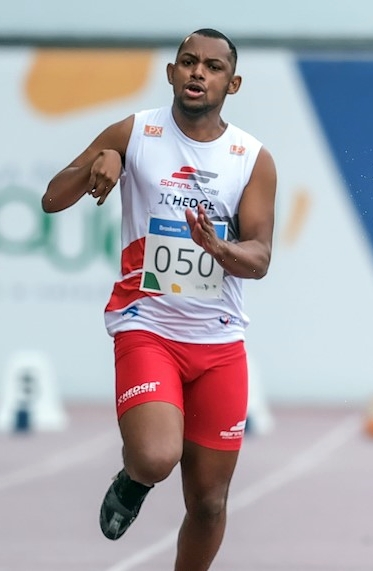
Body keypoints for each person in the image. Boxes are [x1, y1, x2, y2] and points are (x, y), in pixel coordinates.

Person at [42, 28, 277, 570]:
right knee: (155, 456)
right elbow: (54, 198)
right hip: (147, 327)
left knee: (210, 503)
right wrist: (101, 158)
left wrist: (219, 247)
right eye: (188, 62)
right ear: (171, 73)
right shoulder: (137, 131)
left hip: (219, 341)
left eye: (213, 67)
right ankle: (134, 479)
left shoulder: (252, 158)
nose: (199, 73)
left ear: (232, 83)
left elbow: (261, 259)